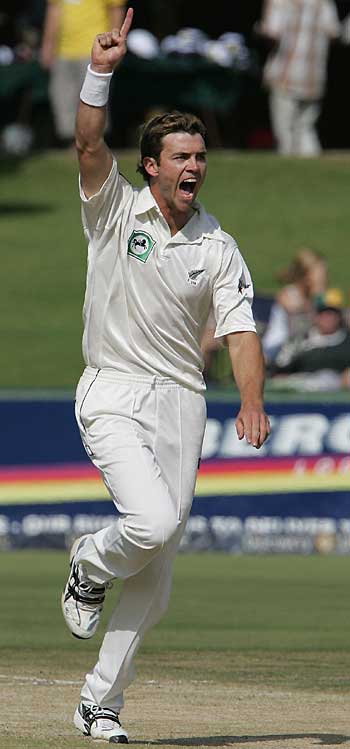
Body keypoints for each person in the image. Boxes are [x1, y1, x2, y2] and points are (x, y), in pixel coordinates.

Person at [61, 9, 270, 743]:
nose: (194, 167)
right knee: (147, 523)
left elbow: (241, 327)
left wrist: (250, 398)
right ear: (151, 165)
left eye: (200, 157)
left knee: (158, 574)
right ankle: (88, 559)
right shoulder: (114, 209)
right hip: (113, 388)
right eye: (181, 156)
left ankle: (100, 704)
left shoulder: (217, 243)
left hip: (183, 400)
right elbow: (88, 141)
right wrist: (101, 73)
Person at [258, 0, 340, 155]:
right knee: (306, 128)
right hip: (314, 77)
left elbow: (271, 33)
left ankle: (289, 170)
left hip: (285, 75)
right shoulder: (324, 3)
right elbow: (334, 33)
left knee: (285, 131)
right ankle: (314, 171)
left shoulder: (279, 2)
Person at [40, 0, 126, 147]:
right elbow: (54, 10)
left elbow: (116, 11)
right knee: (63, 99)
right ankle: (73, 145)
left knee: (93, 101)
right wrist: (48, 44)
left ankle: (95, 146)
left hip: (94, 49)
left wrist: (115, 43)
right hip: (62, 52)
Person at [269, 287, 350, 390]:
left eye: (332, 313)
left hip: (335, 390)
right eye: (323, 313)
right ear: (315, 316)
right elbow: (279, 369)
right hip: (300, 388)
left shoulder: (346, 342)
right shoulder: (299, 341)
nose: (327, 318)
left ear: (339, 316)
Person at [262, 247, 328, 363]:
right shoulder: (288, 296)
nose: (325, 282)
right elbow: (298, 326)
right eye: (321, 278)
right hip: (276, 353)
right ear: (306, 278)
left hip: (299, 352)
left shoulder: (315, 299)